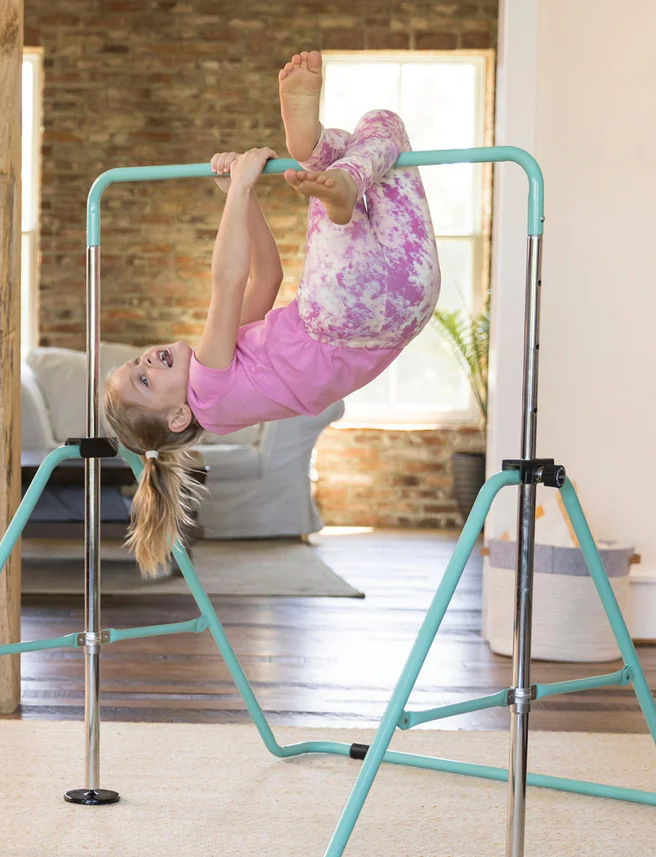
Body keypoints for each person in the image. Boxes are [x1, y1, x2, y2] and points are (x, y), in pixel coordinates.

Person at [104, 50, 440, 575]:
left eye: (135, 364)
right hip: (338, 314)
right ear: (178, 417)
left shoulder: (231, 379)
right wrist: (239, 187)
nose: (145, 361)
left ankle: (331, 164)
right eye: (145, 381)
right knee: (352, 152)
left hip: (407, 303)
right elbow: (229, 280)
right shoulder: (208, 388)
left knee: (383, 129)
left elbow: (267, 277)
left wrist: (240, 197)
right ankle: (317, 155)